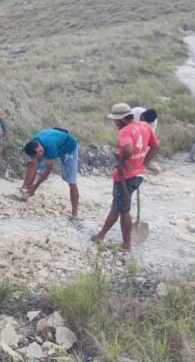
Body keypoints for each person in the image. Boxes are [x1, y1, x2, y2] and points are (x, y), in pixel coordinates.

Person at [91, 103, 160, 251]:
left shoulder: (125, 132)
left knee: (123, 210)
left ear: (121, 119)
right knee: (117, 206)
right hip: (138, 174)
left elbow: (128, 149)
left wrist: (121, 162)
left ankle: (126, 244)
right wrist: (143, 163)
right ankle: (101, 234)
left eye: (115, 120)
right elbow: (155, 146)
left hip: (125, 176)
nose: (115, 123)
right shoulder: (144, 126)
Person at [22, 127, 81, 218]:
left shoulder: (50, 147)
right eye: (38, 153)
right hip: (56, 142)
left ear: (39, 145)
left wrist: (35, 187)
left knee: (71, 181)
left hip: (69, 147)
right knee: (33, 163)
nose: (41, 154)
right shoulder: (33, 144)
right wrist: (29, 185)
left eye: (41, 151)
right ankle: (25, 190)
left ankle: (74, 214)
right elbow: (34, 161)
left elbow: (47, 172)